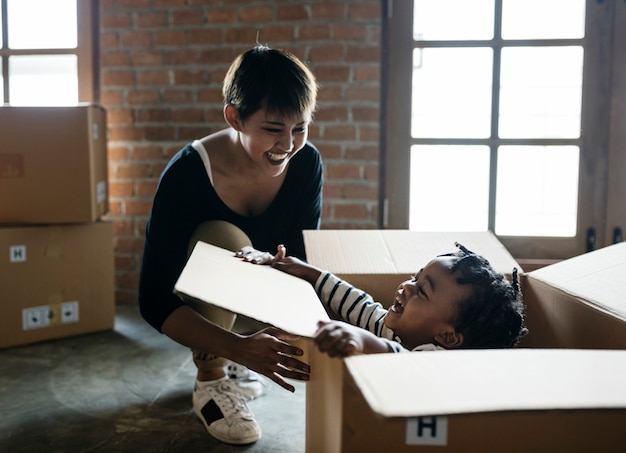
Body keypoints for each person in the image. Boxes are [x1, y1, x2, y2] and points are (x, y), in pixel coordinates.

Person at [138, 45, 322, 445]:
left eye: (300, 128)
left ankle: (240, 358)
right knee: (225, 239)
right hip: (194, 303)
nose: (288, 144)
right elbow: (152, 300)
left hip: (260, 298)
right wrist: (237, 348)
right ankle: (212, 378)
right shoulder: (187, 174)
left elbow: (300, 260)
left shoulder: (307, 163)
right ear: (235, 116)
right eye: (273, 128)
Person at [248, 242, 528, 357]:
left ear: (448, 337)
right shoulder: (396, 327)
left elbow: (403, 366)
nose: (407, 286)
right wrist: (307, 271)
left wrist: (363, 341)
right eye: (415, 278)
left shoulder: (438, 360)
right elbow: (358, 304)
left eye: (422, 291)